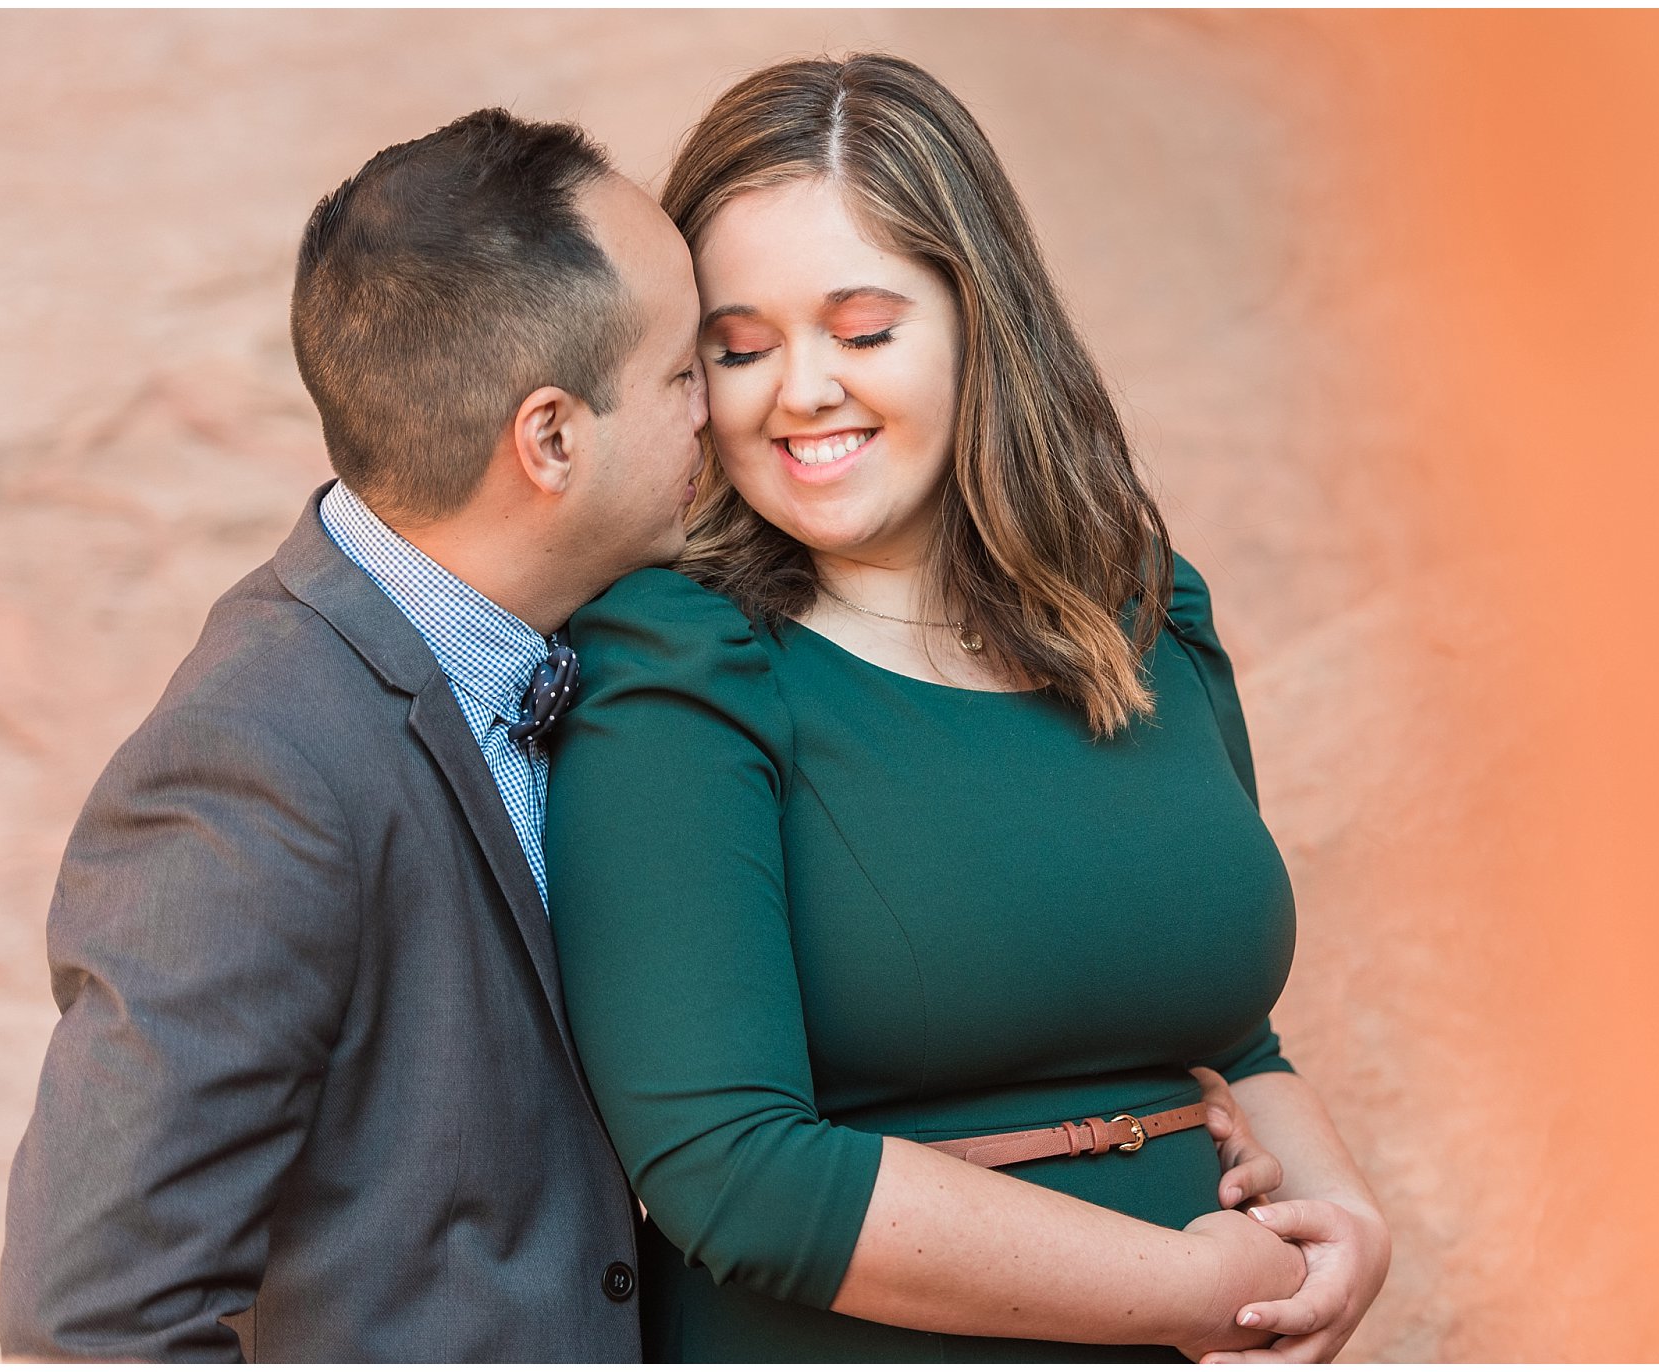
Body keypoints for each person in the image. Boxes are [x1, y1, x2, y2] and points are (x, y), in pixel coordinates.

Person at [545, 54, 1392, 1362]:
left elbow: (1229, 1033)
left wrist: (1339, 1211)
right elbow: (729, 1168)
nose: (801, 389)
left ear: (978, 320)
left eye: (864, 330)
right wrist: (1179, 1291)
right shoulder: (677, 666)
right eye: (741, 347)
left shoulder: (1143, 619)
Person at [0, 109, 710, 1360]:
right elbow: (96, 1315)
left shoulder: (590, 647)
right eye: (685, 370)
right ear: (549, 438)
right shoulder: (254, 765)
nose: (720, 408)